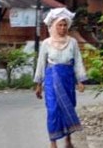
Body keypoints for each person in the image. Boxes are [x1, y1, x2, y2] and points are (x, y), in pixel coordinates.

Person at [34, 8, 87, 148]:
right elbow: (41, 63)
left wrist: (80, 80)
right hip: (52, 79)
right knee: (52, 110)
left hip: (68, 78)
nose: (62, 28)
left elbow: (78, 61)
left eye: (64, 25)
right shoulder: (46, 43)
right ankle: (53, 142)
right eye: (59, 25)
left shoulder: (73, 42)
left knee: (67, 108)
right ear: (54, 25)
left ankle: (68, 140)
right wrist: (39, 84)